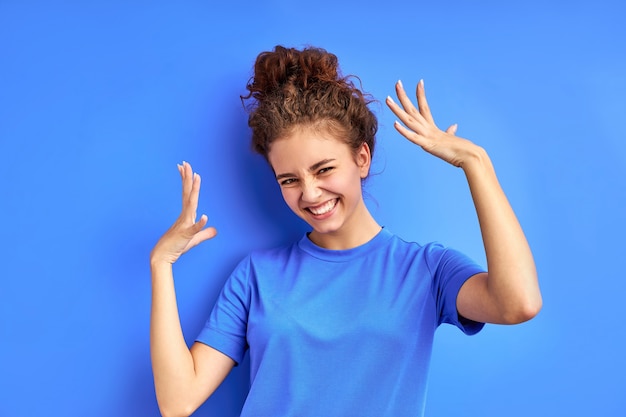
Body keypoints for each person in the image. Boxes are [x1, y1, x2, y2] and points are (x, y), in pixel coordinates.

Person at [149, 45, 542, 417]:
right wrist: (161, 263)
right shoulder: (257, 275)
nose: (310, 193)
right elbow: (178, 401)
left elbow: (518, 303)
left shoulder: (426, 270)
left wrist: (476, 161)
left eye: (324, 170)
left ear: (362, 158)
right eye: (289, 180)